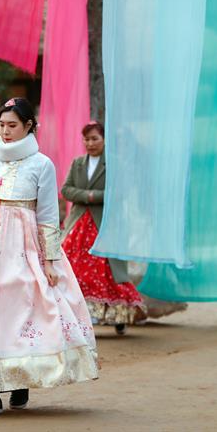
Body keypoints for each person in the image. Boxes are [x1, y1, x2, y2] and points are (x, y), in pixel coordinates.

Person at [0, 98, 98, 417]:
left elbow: (48, 215)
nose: (5, 131)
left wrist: (50, 261)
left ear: (29, 126)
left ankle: (20, 380)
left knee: (22, 310)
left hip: (25, 246)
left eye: (12, 125)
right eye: (2, 125)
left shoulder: (41, 164)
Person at [61, 121, 146, 334]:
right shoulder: (78, 163)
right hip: (78, 224)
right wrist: (89, 196)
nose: (90, 143)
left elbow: (118, 193)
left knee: (107, 272)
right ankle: (76, 317)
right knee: (73, 269)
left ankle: (118, 315)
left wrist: (90, 196)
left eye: (94, 139)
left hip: (104, 225)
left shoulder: (116, 165)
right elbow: (66, 190)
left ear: (104, 140)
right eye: (86, 139)